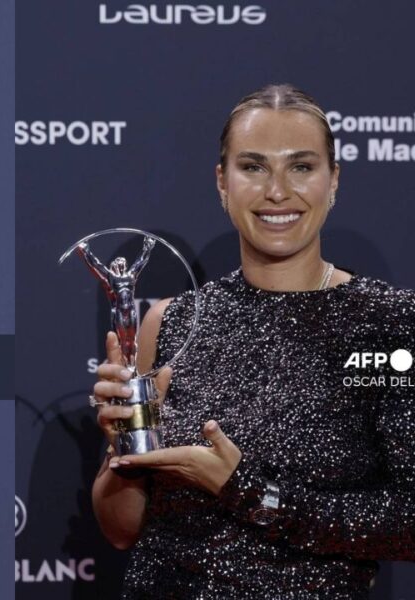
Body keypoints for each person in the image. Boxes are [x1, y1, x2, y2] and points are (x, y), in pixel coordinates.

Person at [91, 84, 415, 599]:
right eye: (254, 167)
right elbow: (121, 528)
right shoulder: (170, 321)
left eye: (302, 167)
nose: (277, 192)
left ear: (334, 180)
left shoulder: (390, 324)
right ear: (222, 182)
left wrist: (246, 488)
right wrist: (122, 443)